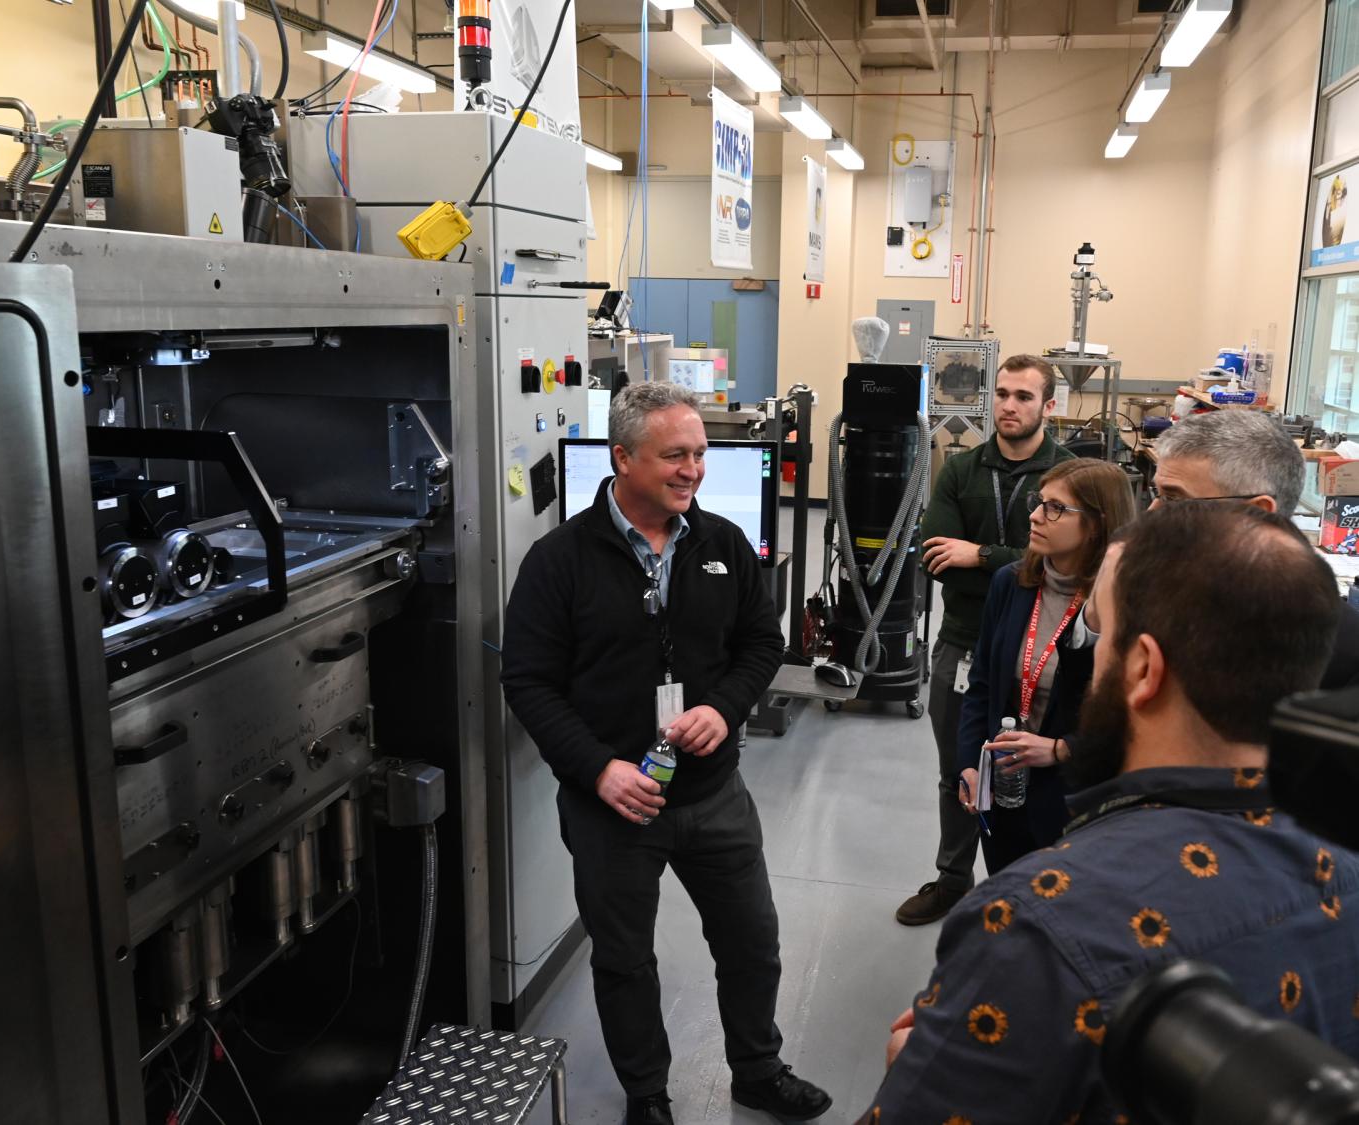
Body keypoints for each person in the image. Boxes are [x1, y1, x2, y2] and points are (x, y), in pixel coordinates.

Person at [862, 503, 1357, 1124]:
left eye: (1103, 636)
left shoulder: (1037, 924)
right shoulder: (1345, 868)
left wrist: (912, 1068)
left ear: (1143, 669)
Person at [500, 382, 831, 1125]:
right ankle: (646, 1094)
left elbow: (762, 642)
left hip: (714, 796)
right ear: (621, 458)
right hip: (614, 805)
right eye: (674, 455)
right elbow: (527, 680)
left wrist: (724, 706)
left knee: (753, 942)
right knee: (624, 960)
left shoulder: (723, 546)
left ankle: (757, 1069)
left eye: (701, 454)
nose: (693, 470)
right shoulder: (560, 561)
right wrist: (597, 769)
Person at [898, 355, 1076, 926]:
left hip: (1047, 651)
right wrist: (1021, 560)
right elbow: (935, 556)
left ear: (1048, 406)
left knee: (1043, 772)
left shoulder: (1069, 476)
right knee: (960, 768)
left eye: (1024, 396)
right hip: (963, 642)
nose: (1008, 406)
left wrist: (979, 554)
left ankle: (1035, 888)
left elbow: (1075, 561)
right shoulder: (962, 470)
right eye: (1002, 393)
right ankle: (953, 880)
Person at [956, 460, 1136, 873]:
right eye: (1040, 502)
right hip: (1003, 787)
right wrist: (968, 763)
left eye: (1055, 508)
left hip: (1072, 800)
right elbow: (981, 681)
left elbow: (1131, 720)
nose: (1035, 515)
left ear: (1096, 523)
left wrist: (1059, 750)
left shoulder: (1120, 603)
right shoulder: (1011, 582)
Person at [1150, 408, 1359, 688]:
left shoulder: (1341, 658)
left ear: (1256, 513)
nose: (1152, 512)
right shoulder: (1156, 594)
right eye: (1158, 494)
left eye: (1174, 499)